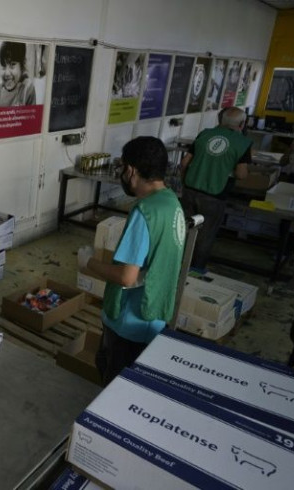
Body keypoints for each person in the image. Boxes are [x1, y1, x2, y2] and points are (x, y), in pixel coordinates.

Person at [84, 137, 186, 385]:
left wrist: (89, 262)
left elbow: (127, 277)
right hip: (155, 316)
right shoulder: (172, 203)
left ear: (131, 170)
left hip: (128, 322)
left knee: (113, 385)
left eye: (123, 168)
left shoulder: (145, 211)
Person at [180, 106, 251, 271]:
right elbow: (241, 174)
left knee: (183, 230)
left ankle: (176, 265)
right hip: (215, 195)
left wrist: (184, 182)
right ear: (242, 124)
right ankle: (195, 272)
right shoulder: (242, 143)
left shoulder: (204, 134)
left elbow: (184, 163)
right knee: (205, 236)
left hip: (190, 189)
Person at [0, 41, 36, 108]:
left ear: (22, 65)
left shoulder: (28, 89)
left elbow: (32, 116)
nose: (7, 73)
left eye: (12, 65)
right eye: (3, 66)